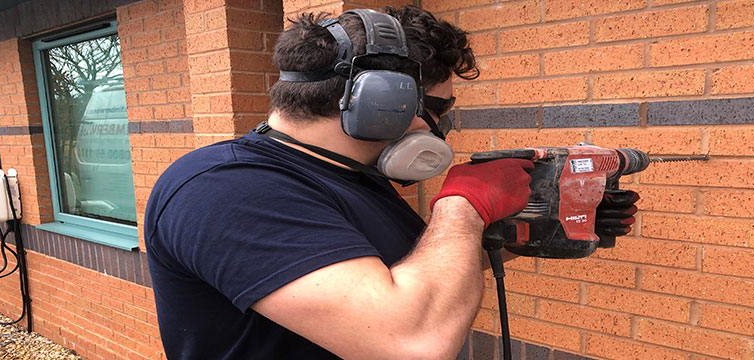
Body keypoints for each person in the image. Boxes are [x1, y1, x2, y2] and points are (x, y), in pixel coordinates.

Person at [144, 6, 637, 359]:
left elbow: (401, 276)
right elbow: (412, 342)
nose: (444, 129)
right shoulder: (226, 190)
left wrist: (517, 235)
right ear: (385, 102)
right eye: (439, 110)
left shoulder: (350, 177)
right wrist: (464, 205)